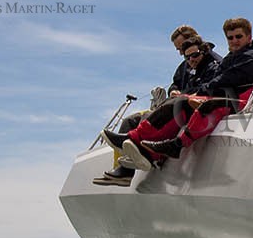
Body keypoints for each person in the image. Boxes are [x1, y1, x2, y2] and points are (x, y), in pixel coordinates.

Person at [100, 18, 253, 173]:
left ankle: (172, 146)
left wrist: (201, 91)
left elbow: (228, 79)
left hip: (242, 101)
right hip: (224, 97)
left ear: (249, 37)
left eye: (238, 36)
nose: (234, 41)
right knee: (178, 103)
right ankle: (139, 144)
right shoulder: (229, 58)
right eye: (230, 38)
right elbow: (217, 79)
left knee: (196, 104)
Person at [93, 25, 221, 186]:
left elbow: (209, 88)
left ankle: (145, 154)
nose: (181, 53)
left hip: (188, 105)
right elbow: (174, 84)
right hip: (178, 101)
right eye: (180, 50)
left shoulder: (213, 63)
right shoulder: (186, 64)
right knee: (129, 121)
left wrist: (182, 95)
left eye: (181, 47)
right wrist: (174, 91)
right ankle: (124, 171)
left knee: (149, 116)